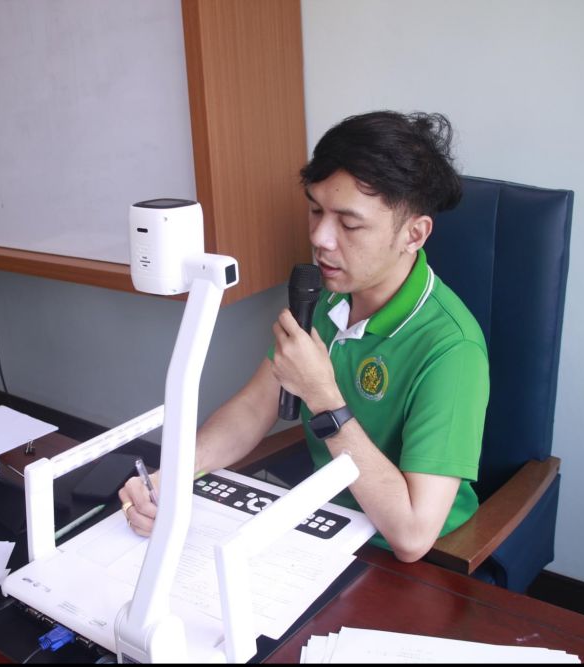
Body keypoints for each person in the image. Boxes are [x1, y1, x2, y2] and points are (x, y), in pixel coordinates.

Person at [119, 111, 490, 562]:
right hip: (323, 524)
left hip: (416, 557)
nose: (320, 237)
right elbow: (254, 408)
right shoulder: (325, 296)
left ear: (414, 234)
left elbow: (412, 536)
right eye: (316, 210)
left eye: (349, 224)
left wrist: (323, 398)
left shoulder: (452, 349)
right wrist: (173, 476)